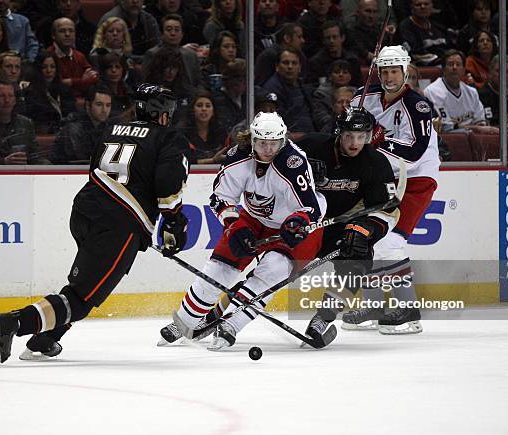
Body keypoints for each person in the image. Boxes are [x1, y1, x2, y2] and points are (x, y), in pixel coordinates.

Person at [0, 84, 190, 364]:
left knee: (87, 287)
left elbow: (97, 169)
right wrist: (174, 223)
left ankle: (44, 340)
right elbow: (167, 188)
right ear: (161, 111)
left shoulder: (113, 129)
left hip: (85, 211)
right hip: (117, 225)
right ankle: (9, 325)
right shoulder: (167, 138)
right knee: (81, 298)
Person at [159, 111, 326, 350]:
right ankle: (184, 323)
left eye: (274, 143)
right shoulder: (236, 157)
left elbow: (310, 206)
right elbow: (220, 198)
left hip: (292, 223)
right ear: (253, 139)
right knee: (217, 271)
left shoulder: (294, 162)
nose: (268, 149)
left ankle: (231, 324)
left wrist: (297, 222)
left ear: (283, 140)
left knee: (272, 270)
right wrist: (235, 226)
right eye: (262, 143)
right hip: (253, 218)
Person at [348, 45, 440, 334]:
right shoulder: (364, 98)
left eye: (394, 70)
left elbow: (414, 152)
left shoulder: (418, 106)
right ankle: (374, 307)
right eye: (384, 70)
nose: (388, 76)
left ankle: (409, 313)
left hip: (415, 179)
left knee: (390, 242)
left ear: (406, 71)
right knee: (369, 238)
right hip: (382, 178)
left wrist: (377, 140)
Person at [294, 107, 398, 340]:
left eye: (362, 137)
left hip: (340, 224)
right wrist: (303, 169)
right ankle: (230, 310)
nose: (355, 143)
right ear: (339, 133)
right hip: (302, 222)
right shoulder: (311, 147)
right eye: (349, 135)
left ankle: (324, 318)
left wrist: (365, 231)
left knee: (356, 257)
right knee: (275, 265)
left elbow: (387, 212)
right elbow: (274, 159)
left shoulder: (375, 163)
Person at [424, 49, 497, 134]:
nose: (454, 67)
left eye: (458, 64)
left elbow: (480, 122)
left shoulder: (471, 92)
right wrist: (474, 127)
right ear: (443, 69)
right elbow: (445, 127)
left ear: (463, 70)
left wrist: (475, 128)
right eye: (450, 64)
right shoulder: (432, 92)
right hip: (447, 142)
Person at [0, 79, 46, 165]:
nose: (7, 100)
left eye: (11, 96)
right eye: (1, 96)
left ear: (15, 100)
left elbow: (35, 156)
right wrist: (3, 162)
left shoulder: (26, 123)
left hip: (23, 174)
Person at [51, 85, 112, 164]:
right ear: (87, 105)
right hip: (66, 173)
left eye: (108, 105)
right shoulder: (73, 128)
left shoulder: (108, 126)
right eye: (99, 104)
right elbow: (81, 161)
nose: (104, 110)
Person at [19, 50, 76, 134]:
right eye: (44, 67)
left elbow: (72, 113)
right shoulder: (30, 92)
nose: (49, 71)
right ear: (38, 69)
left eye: (52, 67)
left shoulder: (64, 89)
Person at [47, 17, 98, 98]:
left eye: (71, 31)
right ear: (53, 35)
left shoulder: (79, 56)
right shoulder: (48, 56)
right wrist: (82, 81)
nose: (67, 34)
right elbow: (57, 85)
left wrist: (71, 82)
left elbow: (94, 78)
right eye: (62, 31)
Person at [182, 90, 228, 164]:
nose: (204, 109)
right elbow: (183, 161)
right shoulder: (182, 134)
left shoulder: (221, 133)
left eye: (208, 106)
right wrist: (212, 161)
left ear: (213, 111)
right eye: (199, 105)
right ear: (193, 110)